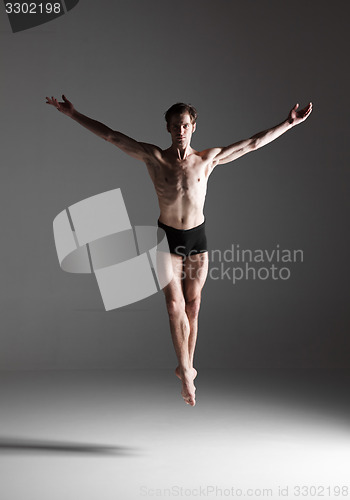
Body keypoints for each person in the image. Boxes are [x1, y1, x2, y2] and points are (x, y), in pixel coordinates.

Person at [46, 95, 312, 406]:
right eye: (175, 126)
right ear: (168, 129)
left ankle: (187, 364)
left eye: (185, 125)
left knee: (194, 306)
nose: (180, 131)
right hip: (166, 240)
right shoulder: (154, 158)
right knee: (175, 306)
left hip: (197, 241)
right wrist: (74, 113)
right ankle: (186, 371)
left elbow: (252, 143)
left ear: (193, 127)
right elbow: (111, 136)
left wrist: (289, 123)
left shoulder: (207, 159)